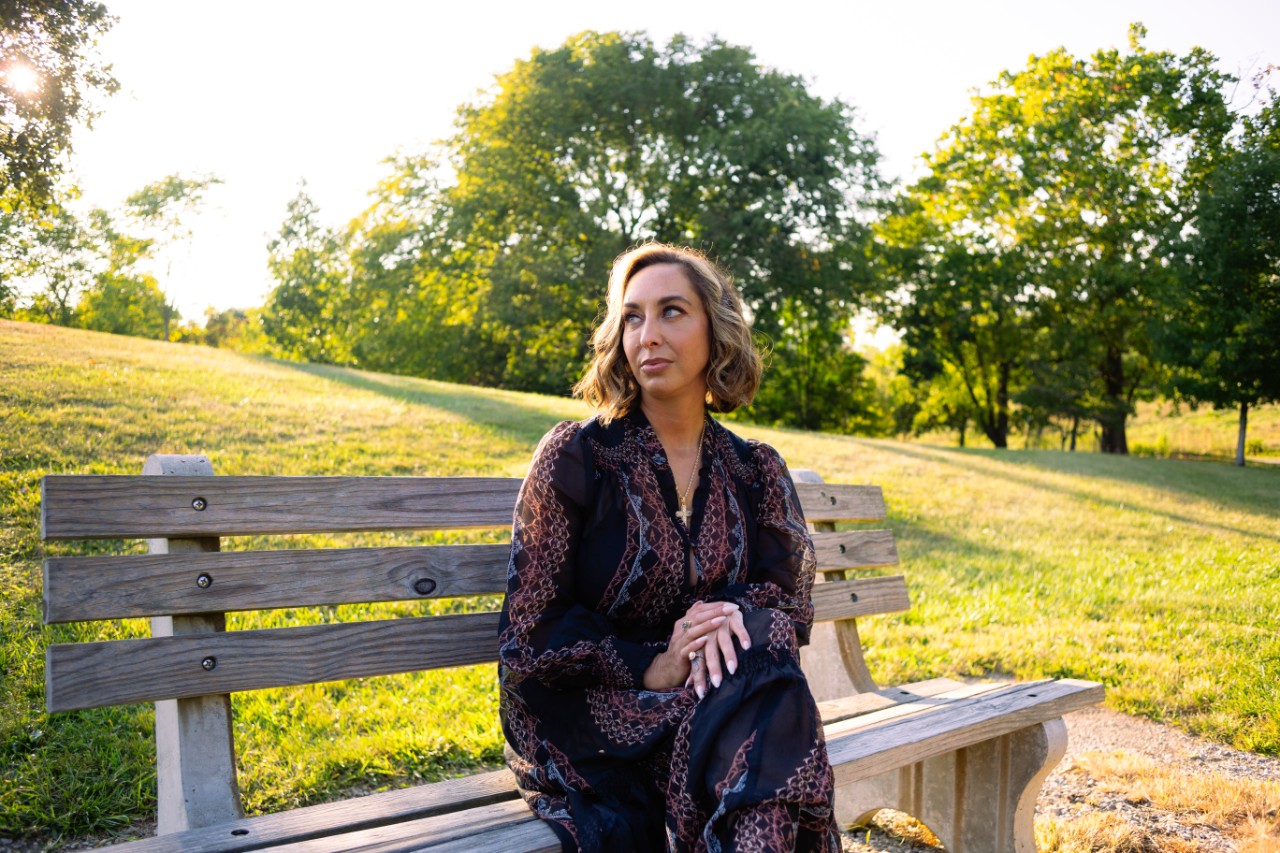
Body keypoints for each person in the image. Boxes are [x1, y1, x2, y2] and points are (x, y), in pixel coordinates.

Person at [498, 243, 838, 852]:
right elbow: (529, 633)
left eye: (672, 311)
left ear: (718, 329)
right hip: (598, 713)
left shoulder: (754, 468)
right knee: (768, 725)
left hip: (721, 698)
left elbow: (788, 601)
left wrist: (719, 623)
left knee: (761, 654)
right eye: (632, 317)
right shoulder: (578, 459)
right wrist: (653, 666)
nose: (648, 335)